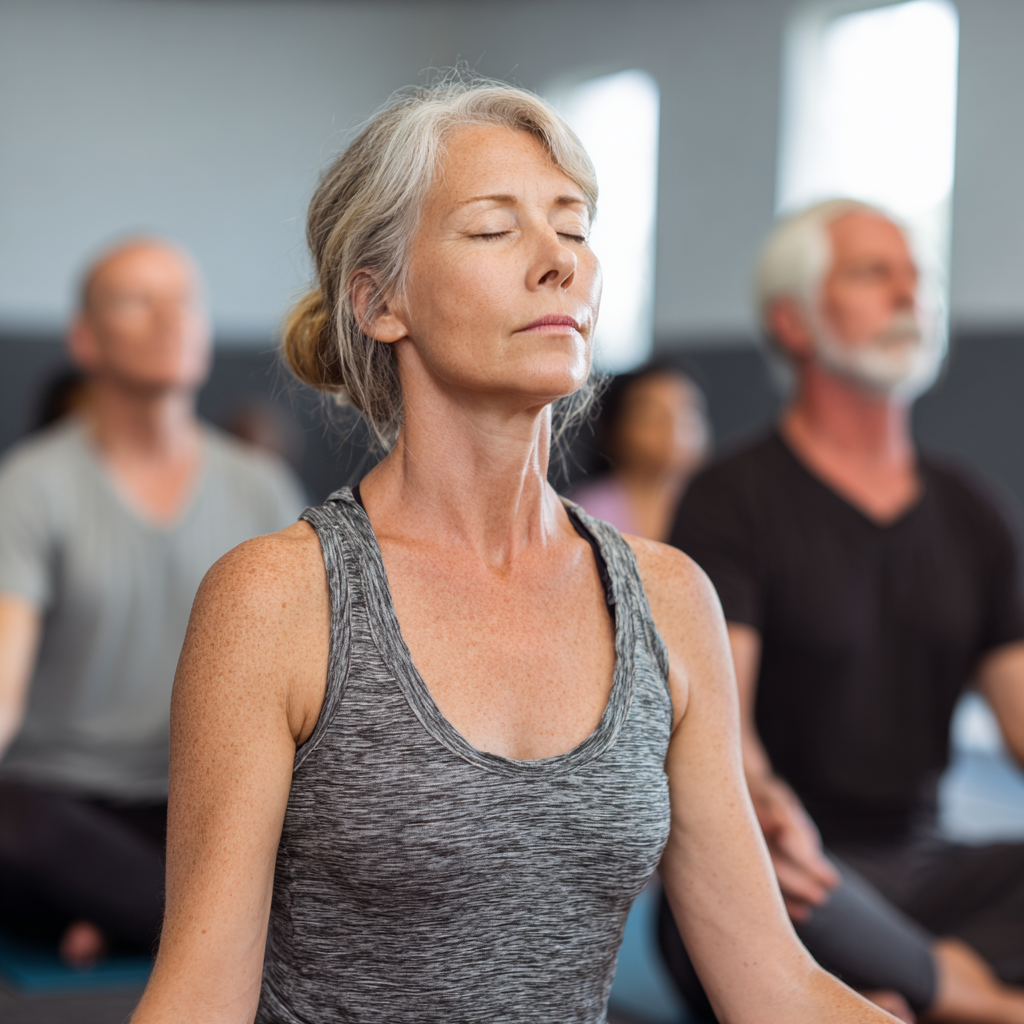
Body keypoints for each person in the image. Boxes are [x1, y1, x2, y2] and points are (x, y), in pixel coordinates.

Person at [131, 82, 895, 1024]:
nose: (558, 264)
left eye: (574, 229)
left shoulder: (666, 599)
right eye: (496, 231)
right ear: (380, 301)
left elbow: (775, 985)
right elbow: (197, 1003)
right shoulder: (279, 600)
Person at [663, 199, 1024, 1024]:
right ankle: (974, 1000)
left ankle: (903, 991)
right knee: (769, 882)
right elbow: (724, 731)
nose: (910, 293)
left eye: (917, 276)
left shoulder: (975, 512)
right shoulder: (729, 502)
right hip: (786, 868)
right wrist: (759, 799)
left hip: (923, 871)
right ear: (793, 321)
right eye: (874, 273)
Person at [0, 239, 305, 967]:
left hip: (201, 803)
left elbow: (307, 665)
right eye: (139, 300)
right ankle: (202, 924)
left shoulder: (260, 487)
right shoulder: (30, 486)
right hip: (60, 799)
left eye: (187, 300)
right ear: (85, 338)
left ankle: (111, 919)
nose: (172, 319)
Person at [570, 365, 709, 540]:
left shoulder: (721, 505)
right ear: (614, 429)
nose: (673, 427)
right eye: (651, 416)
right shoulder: (589, 510)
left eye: (688, 414)